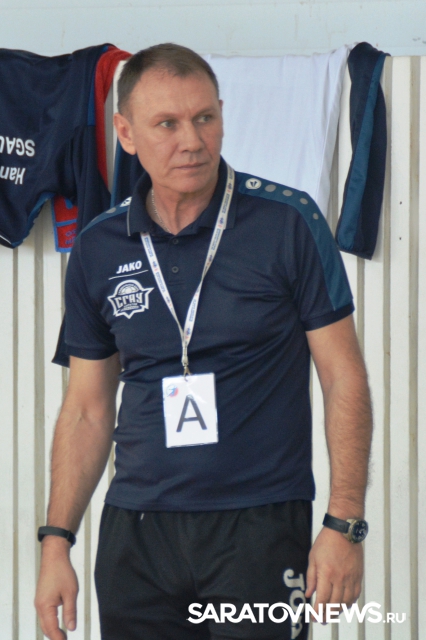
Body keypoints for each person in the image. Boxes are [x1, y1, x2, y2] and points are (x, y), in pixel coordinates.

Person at [35, 43, 372, 640]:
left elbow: (343, 376)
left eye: (204, 118)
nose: (191, 140)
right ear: (126, 133)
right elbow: (86, 409)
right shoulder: (98, 247)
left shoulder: (289, 223)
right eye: (166, 124)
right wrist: (56, 542)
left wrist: (344, 524)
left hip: (260, 526)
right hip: (137, 533)